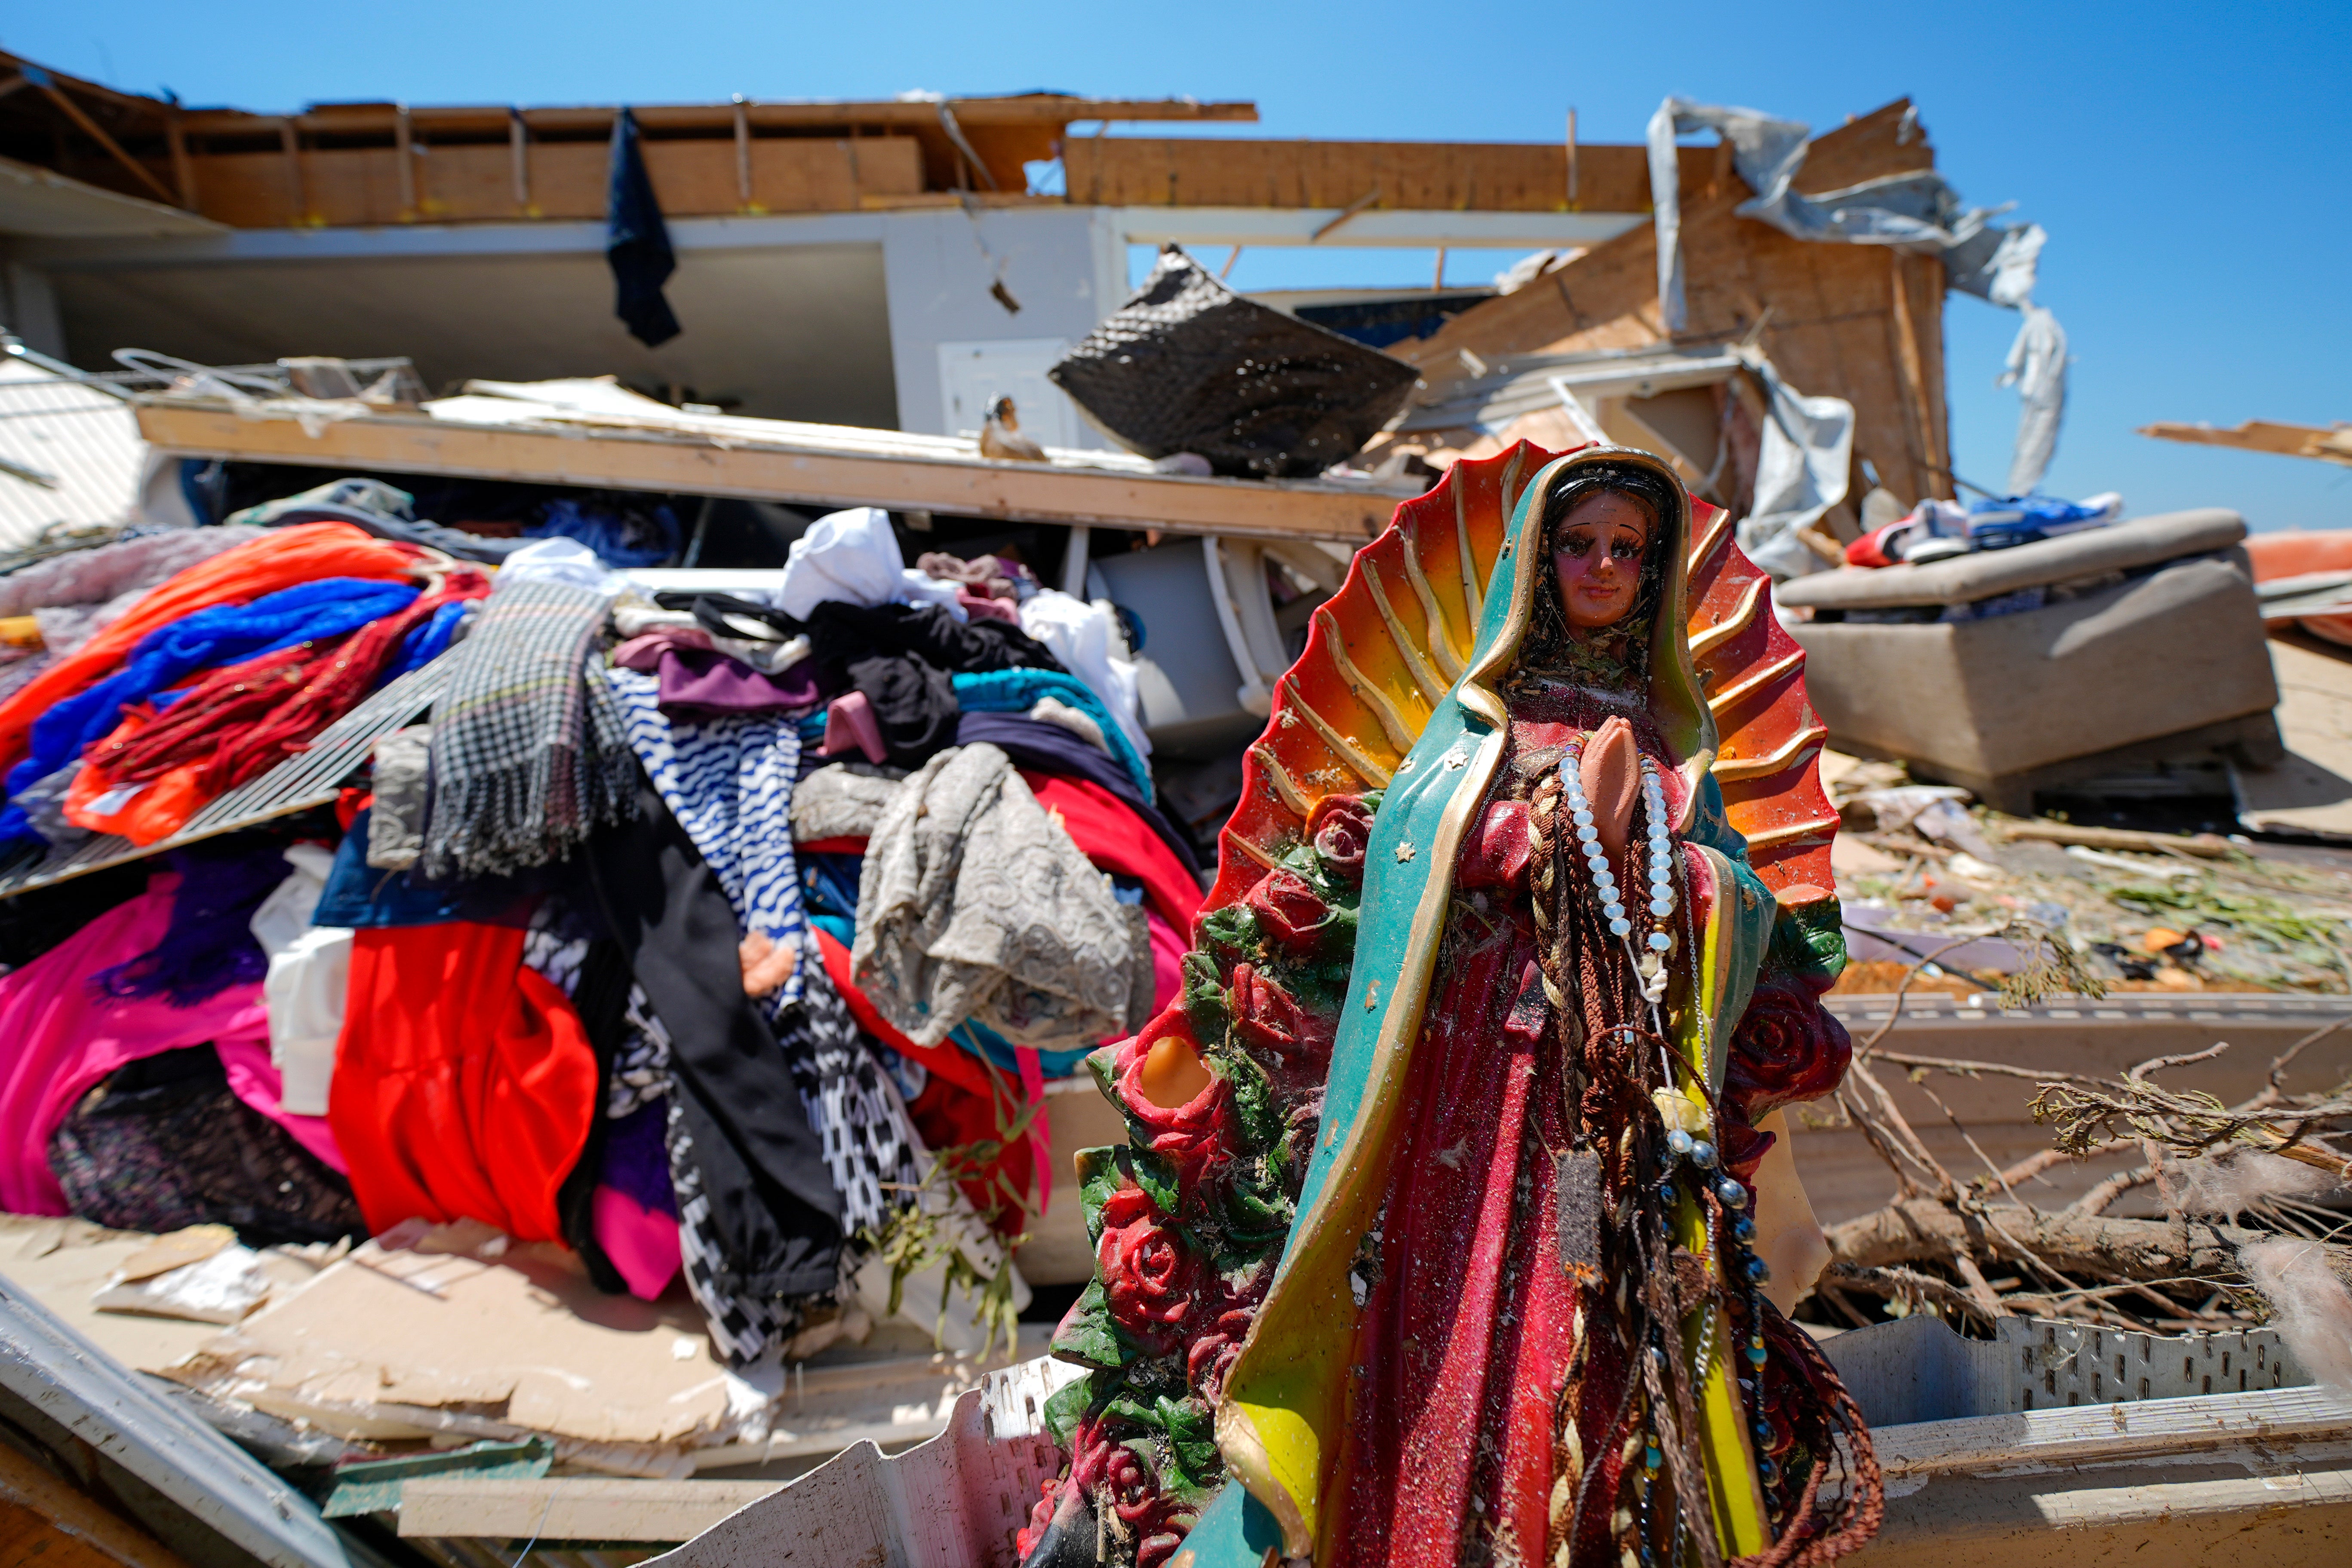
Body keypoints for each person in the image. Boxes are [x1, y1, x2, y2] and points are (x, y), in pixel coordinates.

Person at [1181, 448, 1875, 1564]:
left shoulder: (1674, 745)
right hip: (1477, 1100)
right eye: (1579, 543)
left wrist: (1673, 868)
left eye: (1626, 551)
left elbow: (1737, 901)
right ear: (1538, 557)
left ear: (1652, 573)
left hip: (1614, 1097)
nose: (1600, 568)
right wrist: (1532, 836)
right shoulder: (1480, 727)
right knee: (1461, 1315)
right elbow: (1410, 849)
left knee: (1591, 1302)